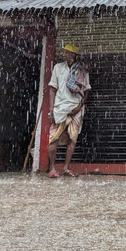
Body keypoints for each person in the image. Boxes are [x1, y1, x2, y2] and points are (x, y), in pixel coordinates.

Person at [47, 44, 90, 178]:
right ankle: (52, 168)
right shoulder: (58, 68)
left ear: (73, 55)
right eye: (64, 52)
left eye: (67, 53)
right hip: (60, 108)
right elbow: (52, 89)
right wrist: (51, 109)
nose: (65, 54)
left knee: (72, 139)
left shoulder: (82, 70)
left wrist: (80, 106)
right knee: (53, 138)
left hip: (75, 109)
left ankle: (66, 168)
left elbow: (87, 90)